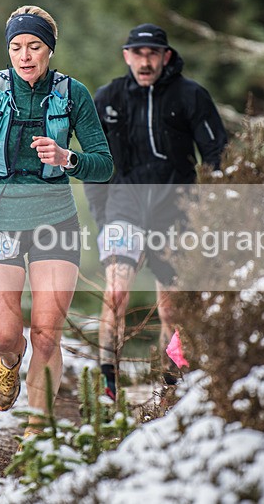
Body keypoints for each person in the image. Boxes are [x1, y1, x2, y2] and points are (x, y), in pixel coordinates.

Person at [0, 6, 113, 436]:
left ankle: (38, 429)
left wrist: (69, 158)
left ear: (49, 49)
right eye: (16, 47)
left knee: (46, 334)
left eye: (34, 46)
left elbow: (103, 164)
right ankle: (9, 362)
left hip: (56, 221)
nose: (25, 55)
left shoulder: (74, 95)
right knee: (6, 335)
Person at [84, 23, 227, 399]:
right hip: (122, 206)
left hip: (175, 209)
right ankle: (107, 383)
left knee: (171, 309)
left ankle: (172, 384)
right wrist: (101, 214)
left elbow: (217, 155)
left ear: (165, 56)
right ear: (126, 56)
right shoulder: (108, 98)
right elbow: (95, 164)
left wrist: (206, 209)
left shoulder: (191, 95)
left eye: (152, 54)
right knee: (116, 293)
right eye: (138, 54)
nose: (145, 62)